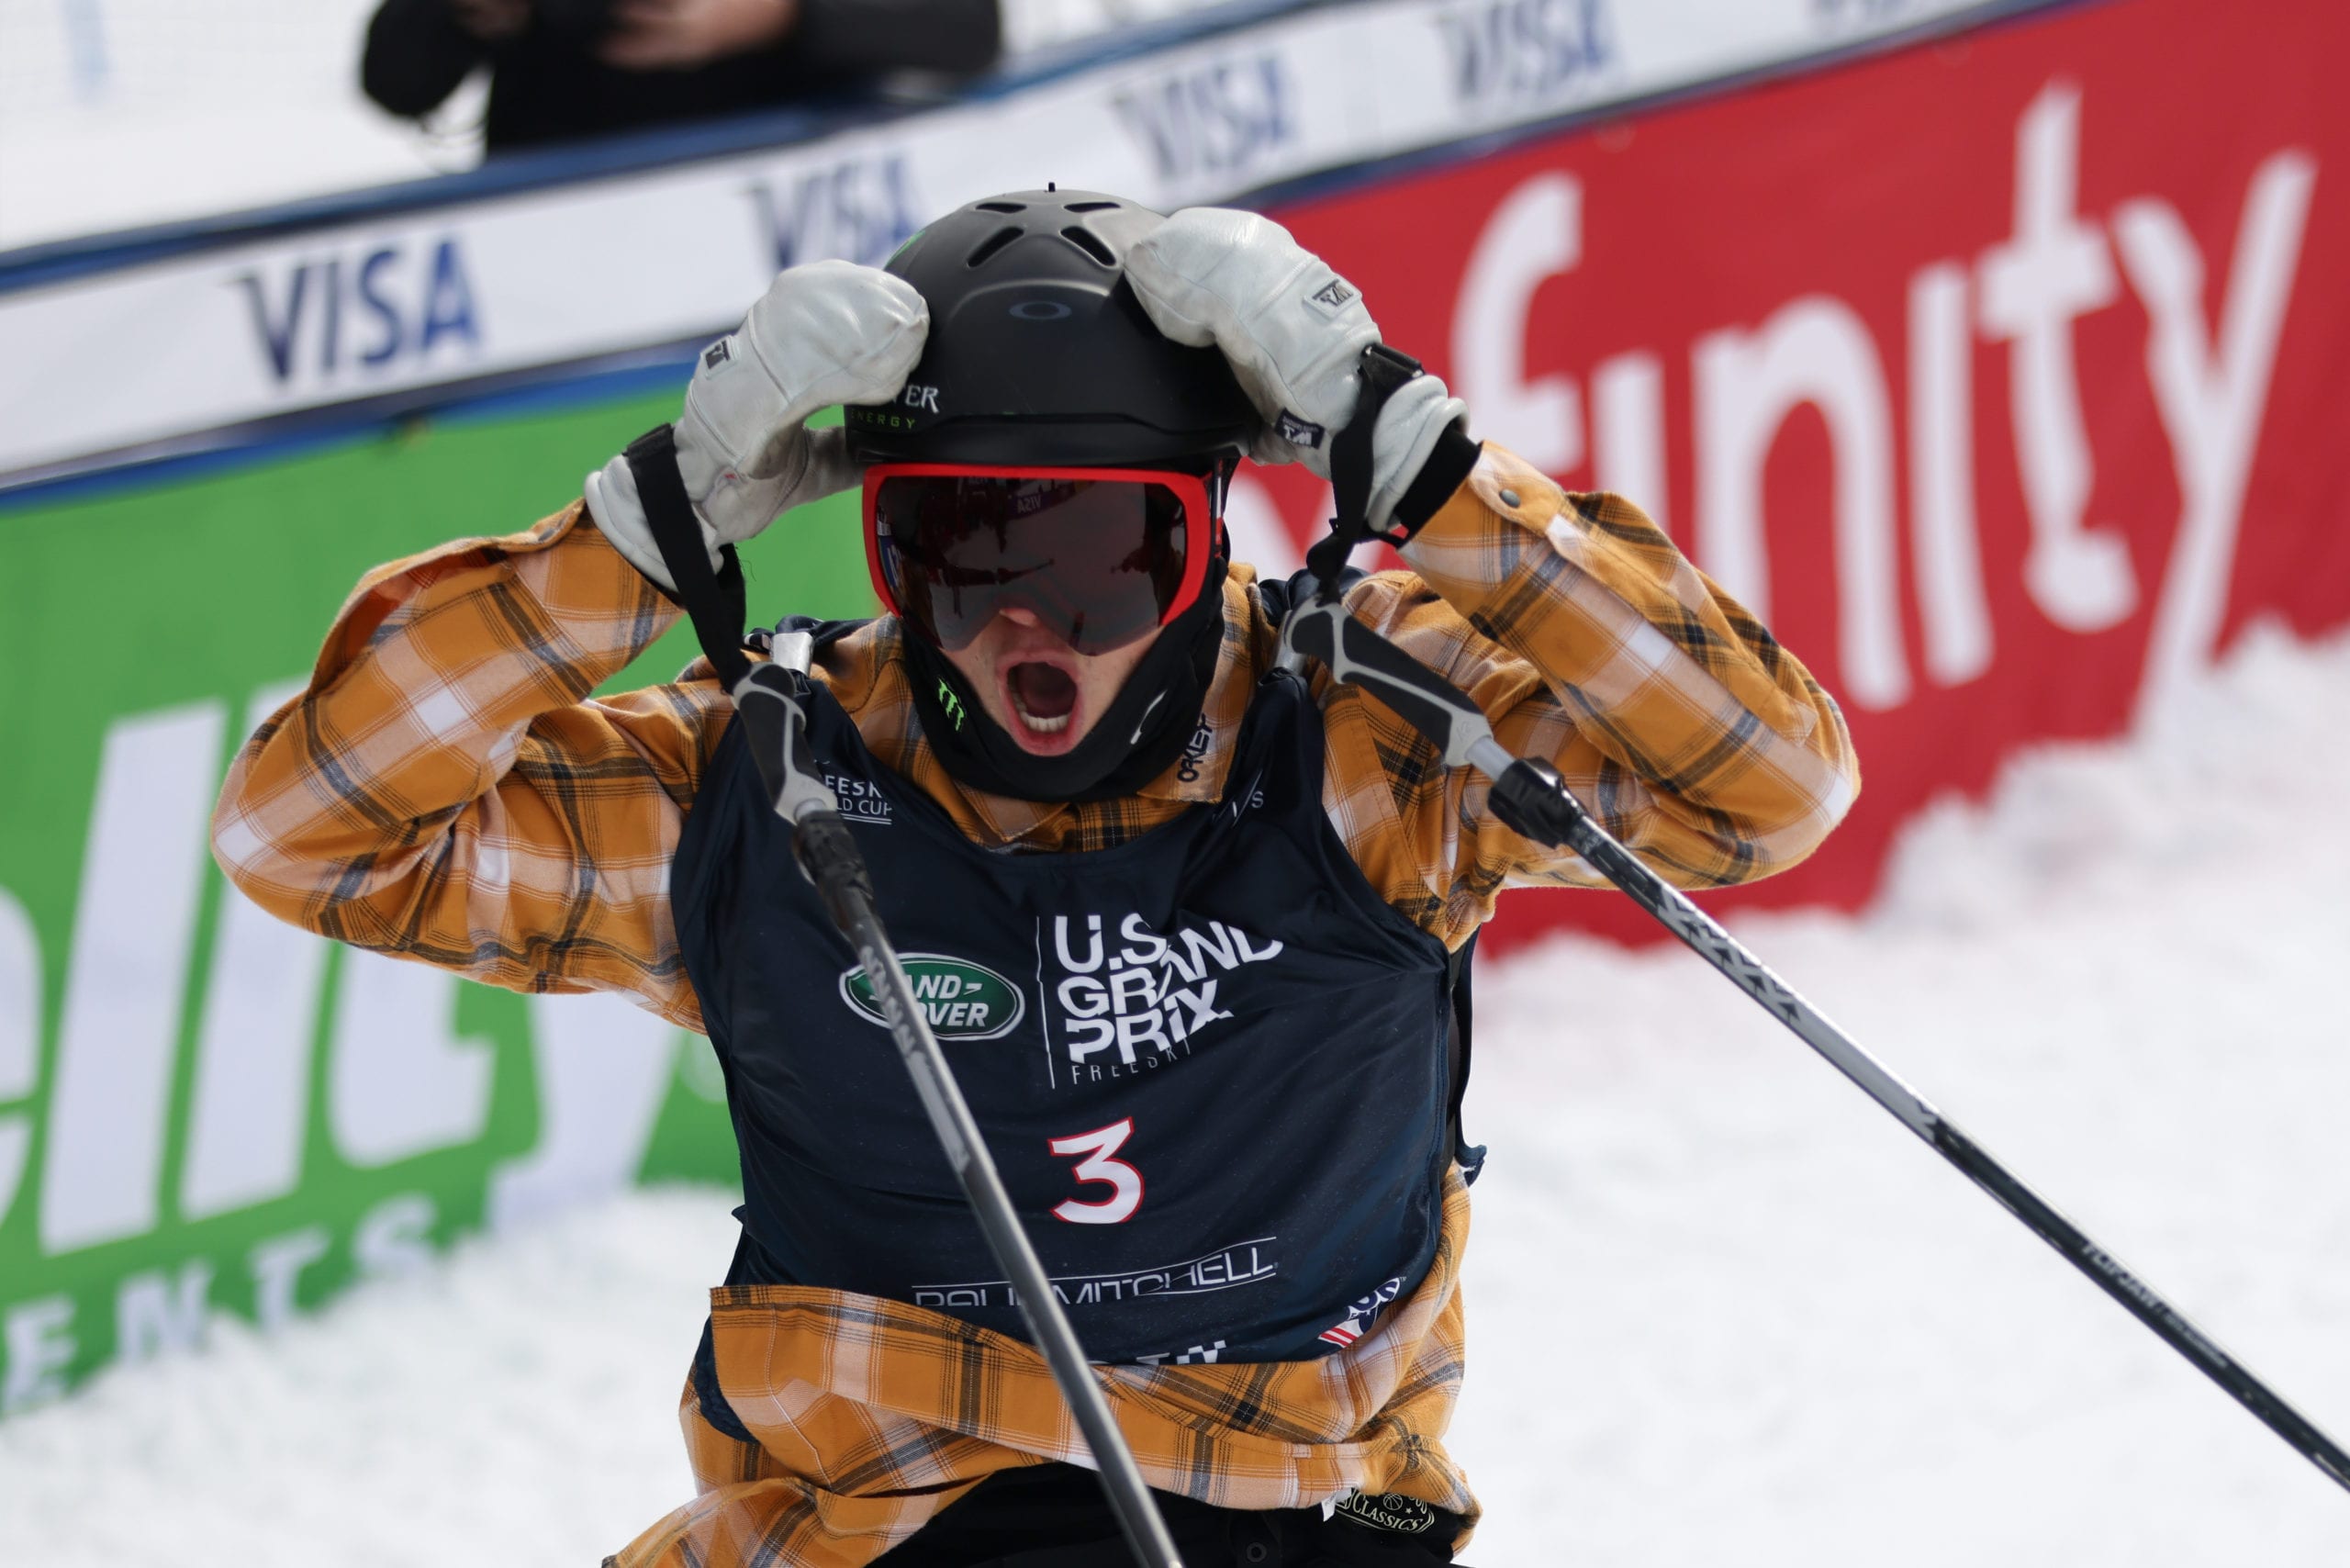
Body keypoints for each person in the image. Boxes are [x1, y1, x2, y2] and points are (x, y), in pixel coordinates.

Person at [212, 190, 1859, 1565]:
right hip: (881, 1520)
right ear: (884, 556)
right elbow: (306, 829)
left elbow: (1767, 789)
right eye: (962, 547)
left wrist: (1428, 473)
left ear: (1208, 535)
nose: (1030, 624)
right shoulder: (769, 789)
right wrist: (637, 538)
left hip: (1294, 1506)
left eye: (1102, 551)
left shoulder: (1372, 739)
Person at [361, 0, 1002, 152]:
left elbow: (971, 26)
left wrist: (772, 15)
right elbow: (394, 80)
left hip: (778, 258)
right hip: (552, 260)